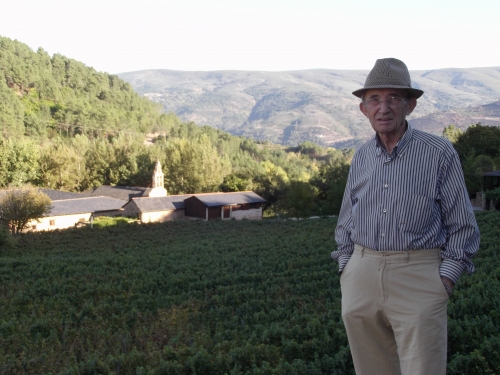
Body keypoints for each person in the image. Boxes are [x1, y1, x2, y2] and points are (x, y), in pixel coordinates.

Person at [332, 58, 480, 375]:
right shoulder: (361, 156)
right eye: (374, 99)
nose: (383, 108)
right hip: (361, 275)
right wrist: (347, 266)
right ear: (363, 109)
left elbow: (463, 225)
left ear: (410, 105)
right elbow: (347, 218)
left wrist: (444, 279)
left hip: (419, 277)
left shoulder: (439, 152)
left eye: (393, 98)